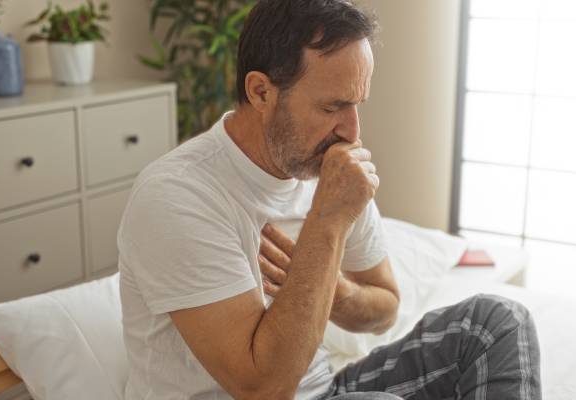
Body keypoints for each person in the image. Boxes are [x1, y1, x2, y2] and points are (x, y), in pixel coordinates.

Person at [116, 1, 541, 399]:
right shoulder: (178, 196)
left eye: (357, 104)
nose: (352, 132)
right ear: (261, 92)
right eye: (333, 106)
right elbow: (264, 388)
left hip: (327, 389)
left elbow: (385, 306)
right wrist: (329, 219)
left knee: (498, 322)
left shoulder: (321, 163)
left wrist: (333, 291)